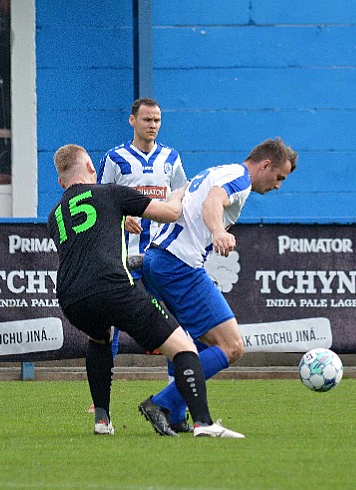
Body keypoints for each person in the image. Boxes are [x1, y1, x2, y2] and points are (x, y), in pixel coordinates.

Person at [47, 143, 243, 438]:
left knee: (100, 339)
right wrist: (178, 194)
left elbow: (87, 232)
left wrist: (117, 218)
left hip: (70, 297)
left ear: (61, 182)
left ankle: (102, 419)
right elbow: (169, 213)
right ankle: (203, 422)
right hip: (112, 286)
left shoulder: (55, 214)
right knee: (184, 347)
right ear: (91, 168)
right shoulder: (111, 191)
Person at [141, 137, 298, 426]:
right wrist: (218, 231)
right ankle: (161, 403)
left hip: (157, 260)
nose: (278, 185)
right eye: (279, 177)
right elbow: (213, 201)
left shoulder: (219, 170)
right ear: (265, 165)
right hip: (180, 264)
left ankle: (176, 416)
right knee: (232, 346)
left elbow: (184, 193)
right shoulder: (240, 179)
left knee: (185, 343)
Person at [93, 97, 188, 417]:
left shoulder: (171, 159)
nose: (153, 125)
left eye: (157, 120)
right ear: (132, 121)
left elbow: (182, 199)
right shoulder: (115, 159)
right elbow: (99, 203)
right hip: (125, 258)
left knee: (172, 325)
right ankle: (100, 397)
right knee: (109, 328)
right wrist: (121, 217)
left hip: (161, 258)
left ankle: (178, 392)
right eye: (147, 119)